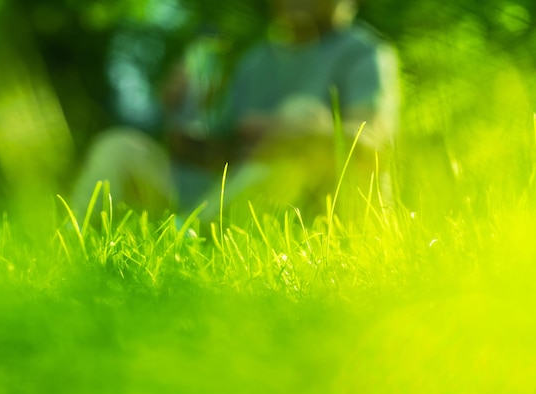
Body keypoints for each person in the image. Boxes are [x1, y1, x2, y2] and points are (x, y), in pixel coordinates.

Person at [71, 0, 400, 225]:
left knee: (300, 114)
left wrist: (295, 131)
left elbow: (374, 142)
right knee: (119, 145)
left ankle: (188, 235)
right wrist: (185, 120)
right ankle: (73, 250)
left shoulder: (364, 53)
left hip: (312, 214)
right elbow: (224, 156)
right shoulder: (255, 61)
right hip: (234, 203)